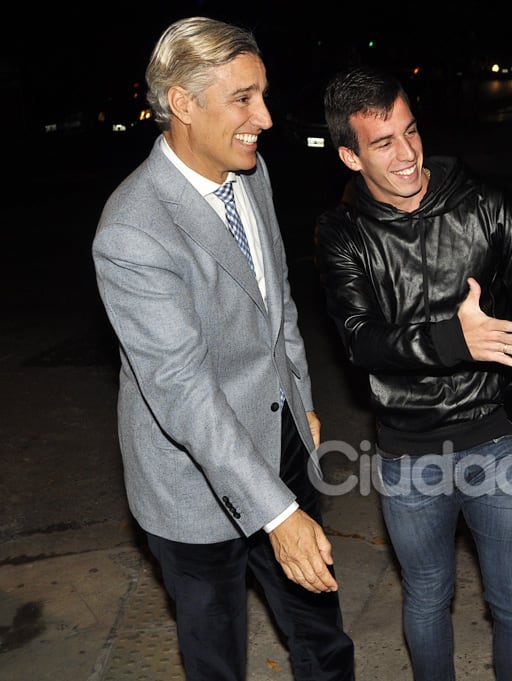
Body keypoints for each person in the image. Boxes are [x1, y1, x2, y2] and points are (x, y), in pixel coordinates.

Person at [91, 17, 355, 681]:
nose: (263, 118)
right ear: (183, 103)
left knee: (322, 640)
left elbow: (278, 297)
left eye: (262, 94)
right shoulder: (133, 231)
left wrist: (301, 393)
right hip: (192, 484)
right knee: (218, 661)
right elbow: (183, 391)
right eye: (243, 98)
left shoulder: (251, 171)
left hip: (284, 439)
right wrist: (278, 514)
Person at [314, 65, 512, 681]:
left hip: (501, 439)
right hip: (409, 456)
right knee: (427, 598)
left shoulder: (482, 206)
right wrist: (458, 339)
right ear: (350, 157)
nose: (406, 154)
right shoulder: (342, 234)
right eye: (383, 143)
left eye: (410, 131)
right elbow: (360, 341)